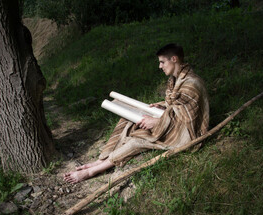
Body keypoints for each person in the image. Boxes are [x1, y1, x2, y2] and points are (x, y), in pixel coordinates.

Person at [63, 43, 209, 184]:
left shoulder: (192, 84)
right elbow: (178, 105)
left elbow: (188, 118)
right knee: (126, 120)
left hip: (184, 133)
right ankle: (101, 160)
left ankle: (92, 171)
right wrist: (162, 105)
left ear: (174, 59)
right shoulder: (176, 80)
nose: (160, 66)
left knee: (138, 141)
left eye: (162, 62)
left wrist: (157, 121)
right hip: (171, 122)